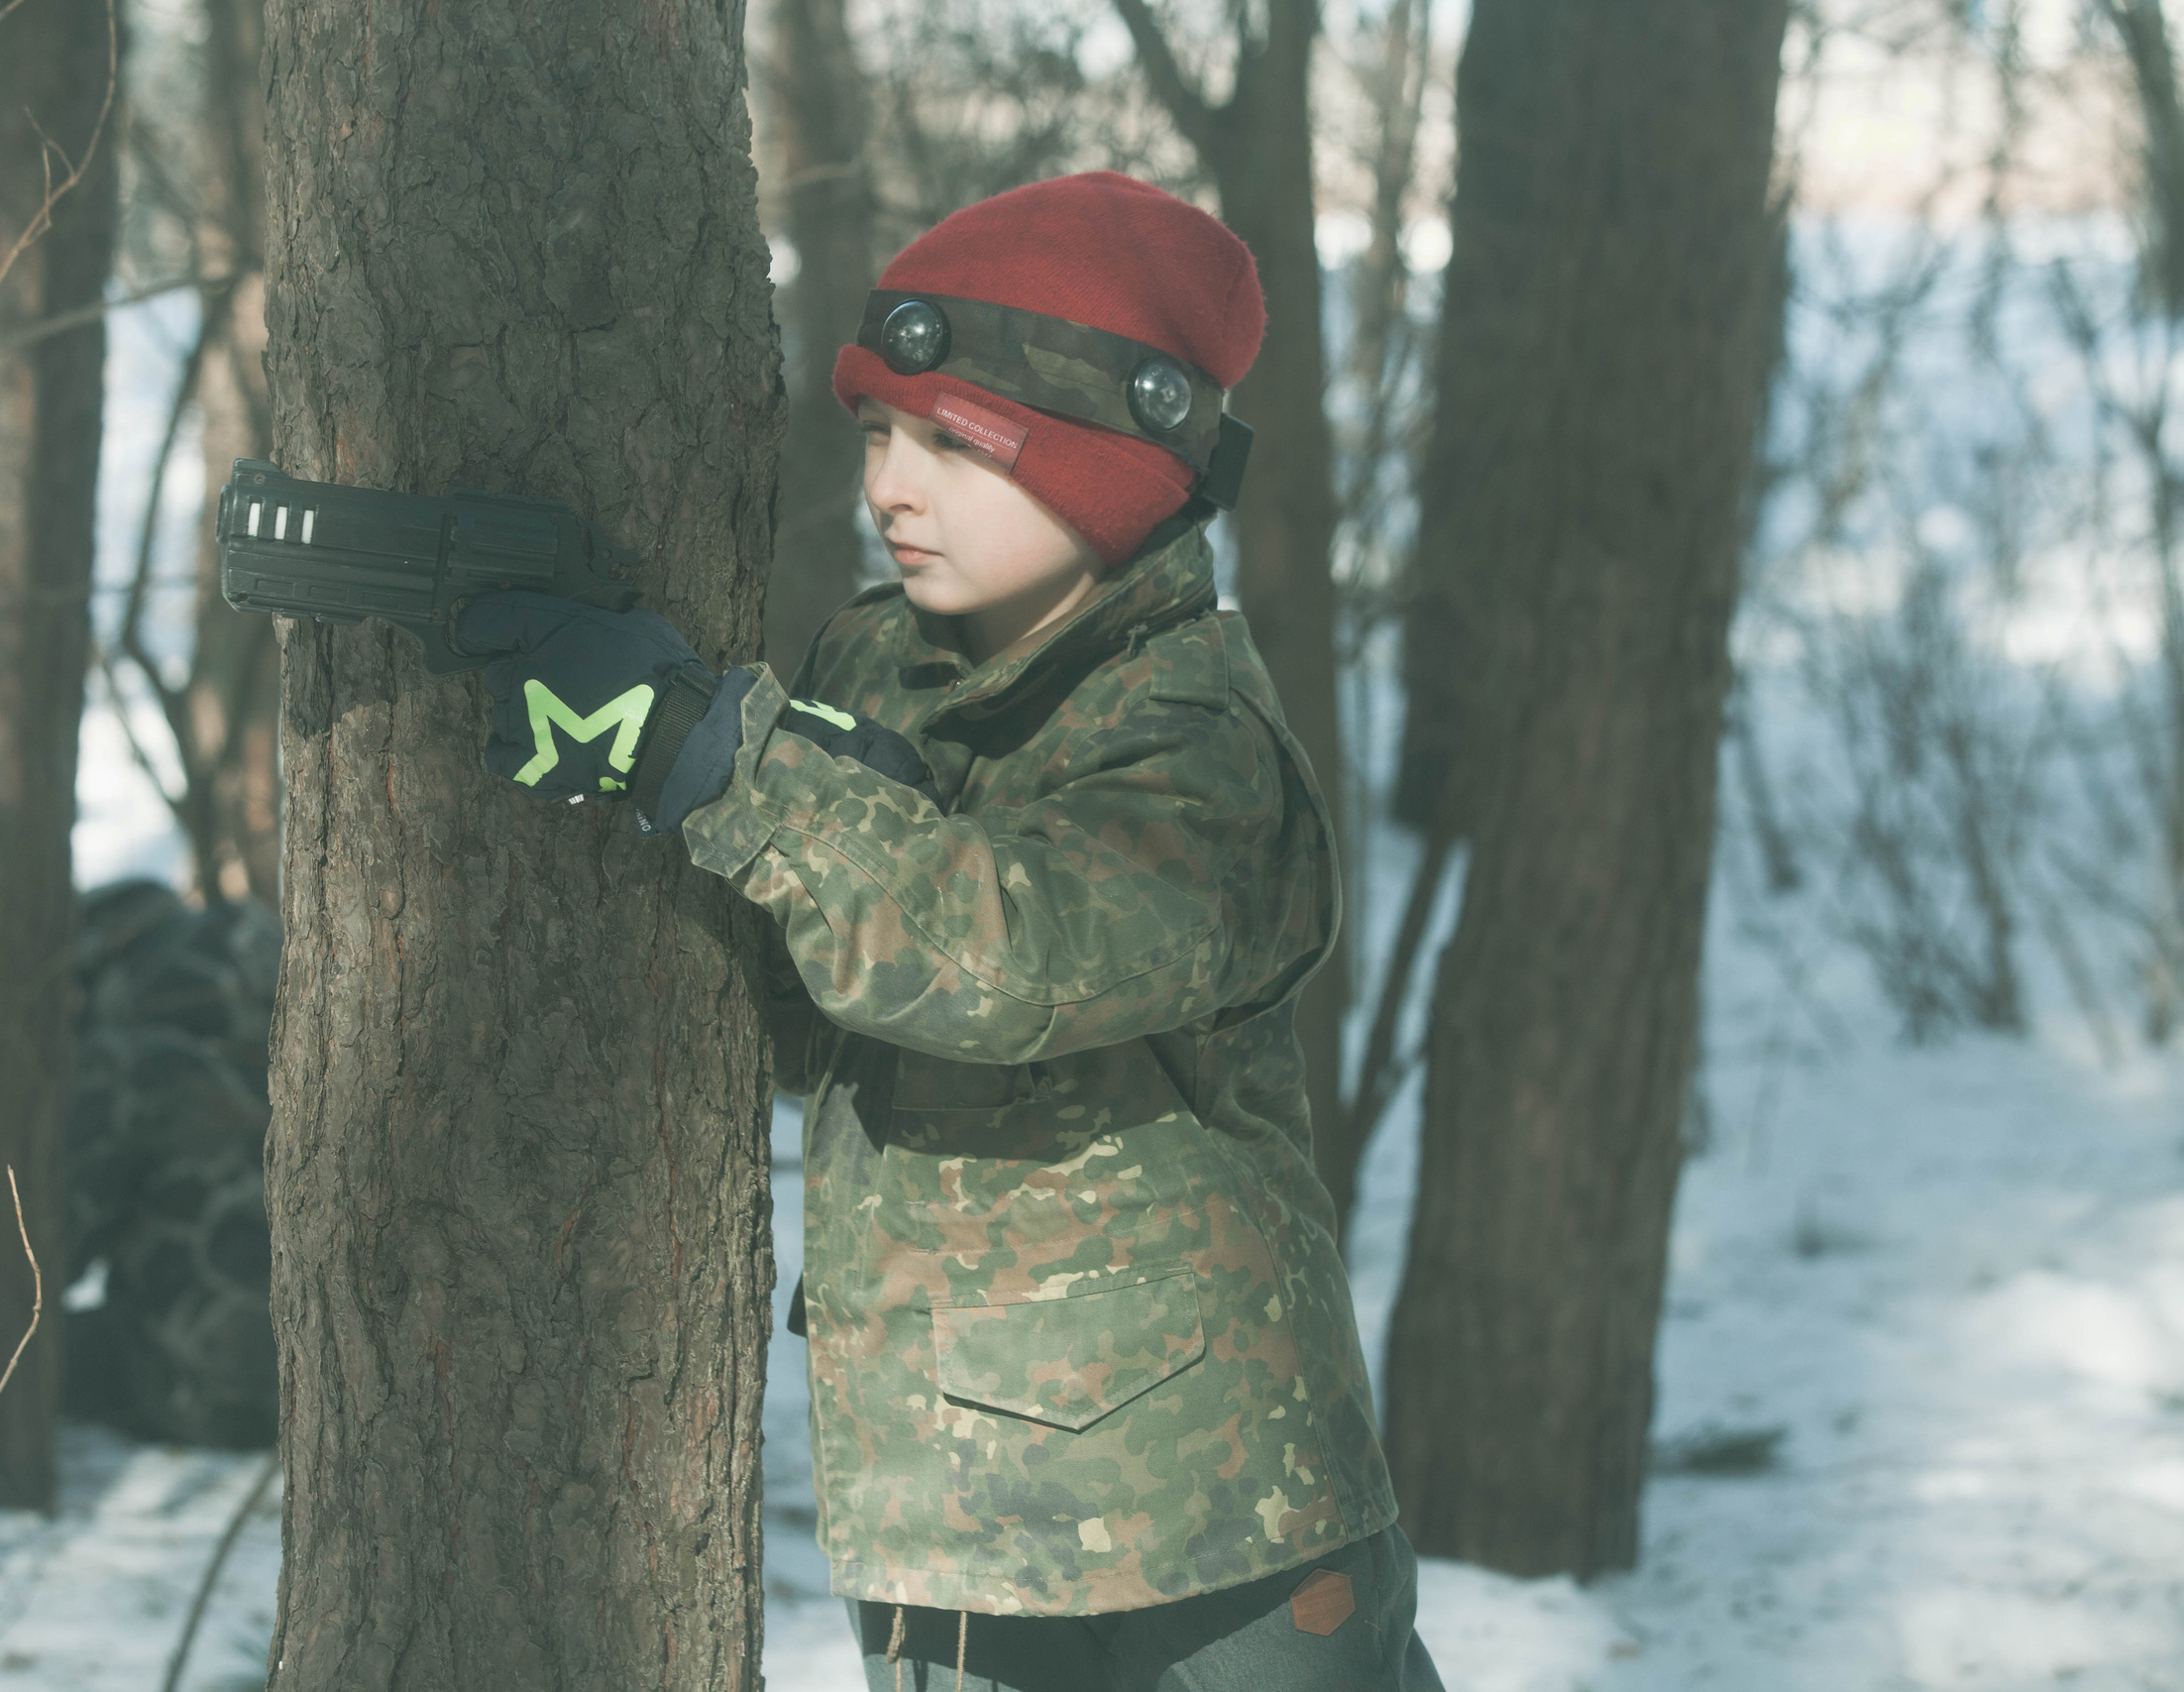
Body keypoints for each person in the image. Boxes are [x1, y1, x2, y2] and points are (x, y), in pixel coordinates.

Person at [453, 172, 1444, 1692]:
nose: (893, 490)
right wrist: (641, 804)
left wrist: (713, 763)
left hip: (1216, 1525)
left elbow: (1007, 959)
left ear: (1114, 474)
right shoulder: (875, 658)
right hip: (949, 1516)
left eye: (956, 446)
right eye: (877, 435)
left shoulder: (1201, 741)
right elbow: (829, 995)